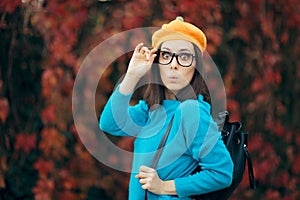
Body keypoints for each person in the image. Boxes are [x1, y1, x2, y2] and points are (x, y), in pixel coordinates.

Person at [99, 17, 233, 200]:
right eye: (166, 55)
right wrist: (131, 76)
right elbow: (108, 123)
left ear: (197, 67)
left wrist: (164, 187)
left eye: (184, 56)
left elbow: (222, 172)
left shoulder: (191, 112)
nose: (173, 64)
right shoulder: (151, 110)